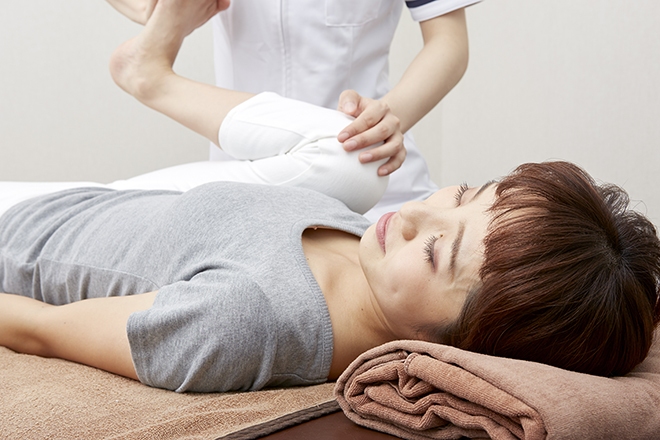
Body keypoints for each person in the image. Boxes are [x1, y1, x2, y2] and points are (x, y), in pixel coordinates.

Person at [1, 1, 659, 393]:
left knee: (356, 163)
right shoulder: (363, 231)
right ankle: (149, 74)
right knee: (354, 163)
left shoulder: (242, 320)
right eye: (464, 192)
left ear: (460, 350)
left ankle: (148, 74)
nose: (415, 213)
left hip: (24, 227)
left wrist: (392, 115)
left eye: (437, 249)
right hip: (154, 192)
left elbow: (38, 331)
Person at [105, 0, 481, 222]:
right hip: (247, 175)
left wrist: (383, 122)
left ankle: (149, 77)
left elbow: (448, 43)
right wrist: (153, 10)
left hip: (368, 171)